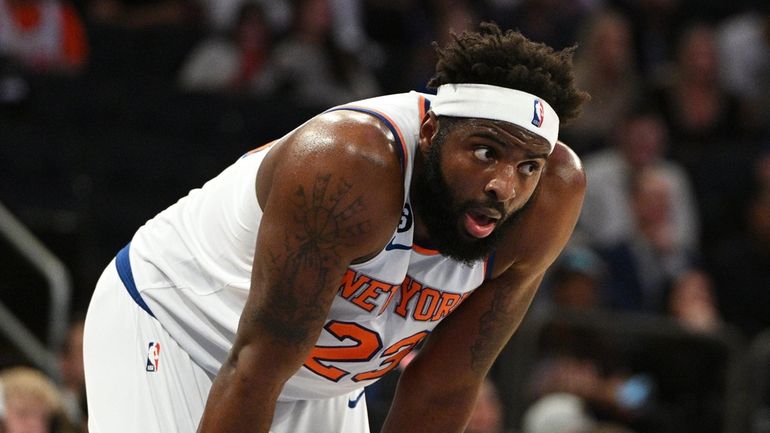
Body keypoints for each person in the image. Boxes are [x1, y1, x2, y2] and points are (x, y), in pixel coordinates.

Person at [83, 22, 588, 433]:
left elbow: (445, 388)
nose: (504, 184)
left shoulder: (549, 199)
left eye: (527, 166)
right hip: (179, 325)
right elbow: (256, 365)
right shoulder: (348, 165)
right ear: (431, 131)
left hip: (315, 374)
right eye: (485, 152)